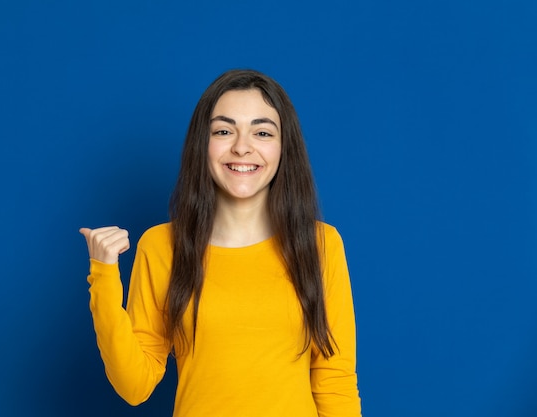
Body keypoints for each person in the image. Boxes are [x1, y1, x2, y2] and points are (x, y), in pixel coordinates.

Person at [79, 69, 362, 416]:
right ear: (203, 143)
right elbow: (134, 386)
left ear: (283, 147)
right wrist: (103, 277)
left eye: (262, 132)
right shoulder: (161, 246)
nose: (242, 147)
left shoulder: (320, 244)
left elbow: (335, 382)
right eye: (224, 131)